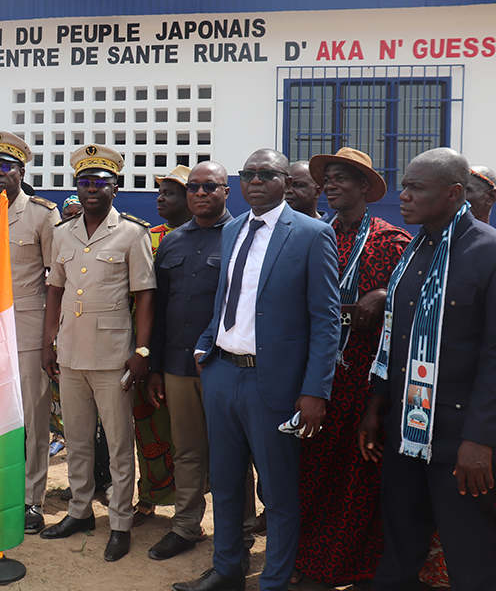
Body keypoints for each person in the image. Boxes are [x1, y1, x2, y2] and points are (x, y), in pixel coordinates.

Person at [173, 148, 340, 591]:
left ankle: (274, 580)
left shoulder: (311, 234)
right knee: (226, 483)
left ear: (286, 181)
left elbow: (325, 322)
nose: (255, 180)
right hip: (222, 374)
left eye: (267, 174)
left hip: (276, 383)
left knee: (279, 491)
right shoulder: (231, 231)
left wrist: (315, 391)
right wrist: (206, 346)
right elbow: (227, 298)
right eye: (248, 173)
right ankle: (228, 570)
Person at [358, 148, 496, 591]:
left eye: (417, 187)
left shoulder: (488, 254)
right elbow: (394, 339)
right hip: (405, 432)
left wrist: (480, 441)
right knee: (400, 541)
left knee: (470, 552)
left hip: (459, 440)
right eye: (404, 185)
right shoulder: (414, 251)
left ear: (454, 193)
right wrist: (375, 408)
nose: (404, 196)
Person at [289, 148, 411, 587]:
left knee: (360, 474)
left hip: (365, 377)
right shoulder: (311, 235)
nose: (332, 185)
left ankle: (358, 568)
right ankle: (309, 562)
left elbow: (414, 307)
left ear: (365, 188)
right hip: (317, 375)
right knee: (310, 471)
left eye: (343, 178)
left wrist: (383, 293)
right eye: (329, 178)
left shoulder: (392, 241)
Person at [41, 145, 155, 563]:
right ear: (77, 187)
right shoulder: (62, 232)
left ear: (115, 187)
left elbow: (144, 296)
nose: (92, 190)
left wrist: (141, 349)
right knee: (76, 440)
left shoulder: (132, 233)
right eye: (85, 182)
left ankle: (121, 522)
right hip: (69, 353)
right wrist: (48, 340)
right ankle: (80, 511)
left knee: (120, 444)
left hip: (113, 356)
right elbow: (55, 289)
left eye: (100, 183)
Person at [0, 131, 59, 533]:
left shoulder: (42, 215)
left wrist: (49, 339)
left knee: (32, 419)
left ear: (21, 172)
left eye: (6, 167)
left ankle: (30, 497)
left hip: (26, 331)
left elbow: (56, 278)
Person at [142, 162, 234, 560]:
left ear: (226, 191)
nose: (200, 193)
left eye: (208, 186)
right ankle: (185, 526)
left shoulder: (242, 237)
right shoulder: (172, 242)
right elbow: (161, 310)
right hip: (177, 368)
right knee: (187, 451)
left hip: (225, 367)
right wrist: (156, 366)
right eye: (193, 187)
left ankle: (238, 535)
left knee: (232, 454)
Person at [133, 164, 193, 527]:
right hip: (144, 350)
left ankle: (189, 509)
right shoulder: (146, 237)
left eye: (170, 193)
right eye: (160, 192)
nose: (161, 198)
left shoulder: (208, 236)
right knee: (147, 427)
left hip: (183, 353)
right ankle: (147, 498)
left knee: (188, 437)